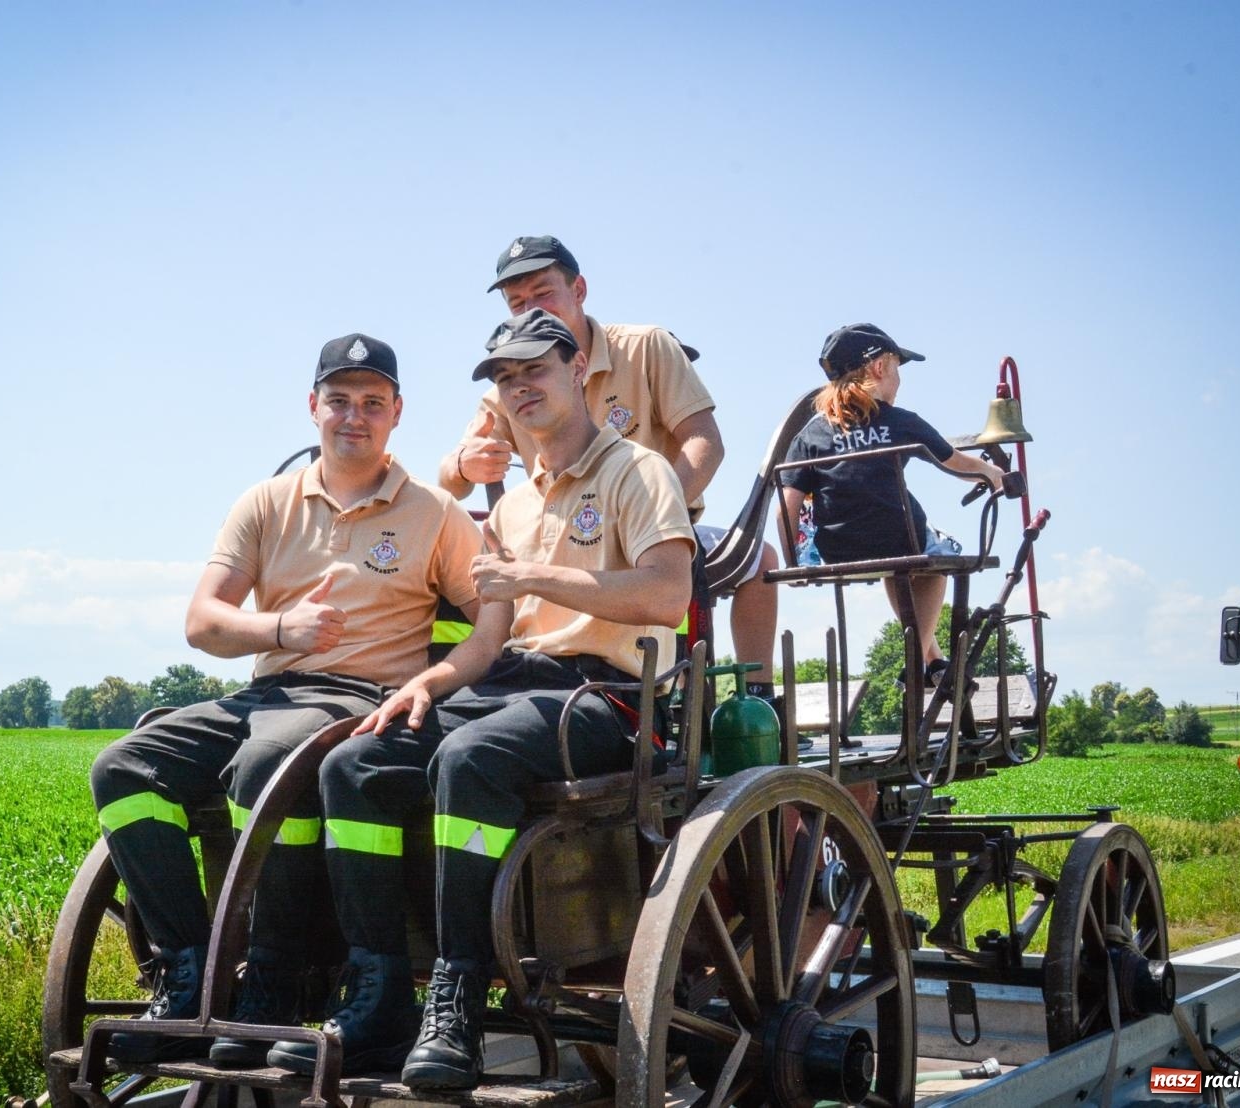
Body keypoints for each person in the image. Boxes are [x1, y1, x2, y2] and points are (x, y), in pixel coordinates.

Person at [267, 309, 694, 1089]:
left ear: (576, 371)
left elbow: (669, 594)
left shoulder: (636, 470)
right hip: (510, 686)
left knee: (470, 757)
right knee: (354, 761)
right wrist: (422, 685)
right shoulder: (515, 504)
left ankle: (457, 994)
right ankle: (380, 1000)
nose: (518, 387)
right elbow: (490, 640)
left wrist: (536, 577)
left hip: (608, 697)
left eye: (533, 370)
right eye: (503, 378)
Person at [88, 333, 481, 1064]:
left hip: (357, 700)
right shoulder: (266, 503)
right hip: (265, 689)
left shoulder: (435, 514)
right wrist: (281, 627)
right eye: (338, 401)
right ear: (312, 408)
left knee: (266, 760)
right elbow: (202, 622)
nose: (352, 417)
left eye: (371, 403)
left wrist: (434, 682)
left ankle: (275, 974)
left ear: (397, 414)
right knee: (120, 768)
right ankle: (188, 971)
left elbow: (493, 618)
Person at [439, 235, 779, 694]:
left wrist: (650, 521)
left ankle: (757, 695)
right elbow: (452, 482)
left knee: (761, 559)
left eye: (543, 293)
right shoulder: (506, 385)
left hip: (657, 534)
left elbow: (704, 442)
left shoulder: (646, 347)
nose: (530, 308)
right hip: (555, 546)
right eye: (516, 302)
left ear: (579, 290)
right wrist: (464, 464)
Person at [775, 323, 1003, 685]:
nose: (899, 379)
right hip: (902, 539)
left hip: (838, 550)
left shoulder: (811, 434)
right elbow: (957, 463)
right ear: (880, 367)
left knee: (894, 565)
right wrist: (994, 475)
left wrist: (793, 563)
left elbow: (786, 505)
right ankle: (916, 664)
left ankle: (934, 661)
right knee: (934, 559)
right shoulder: (901, 421)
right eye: (897, 367)